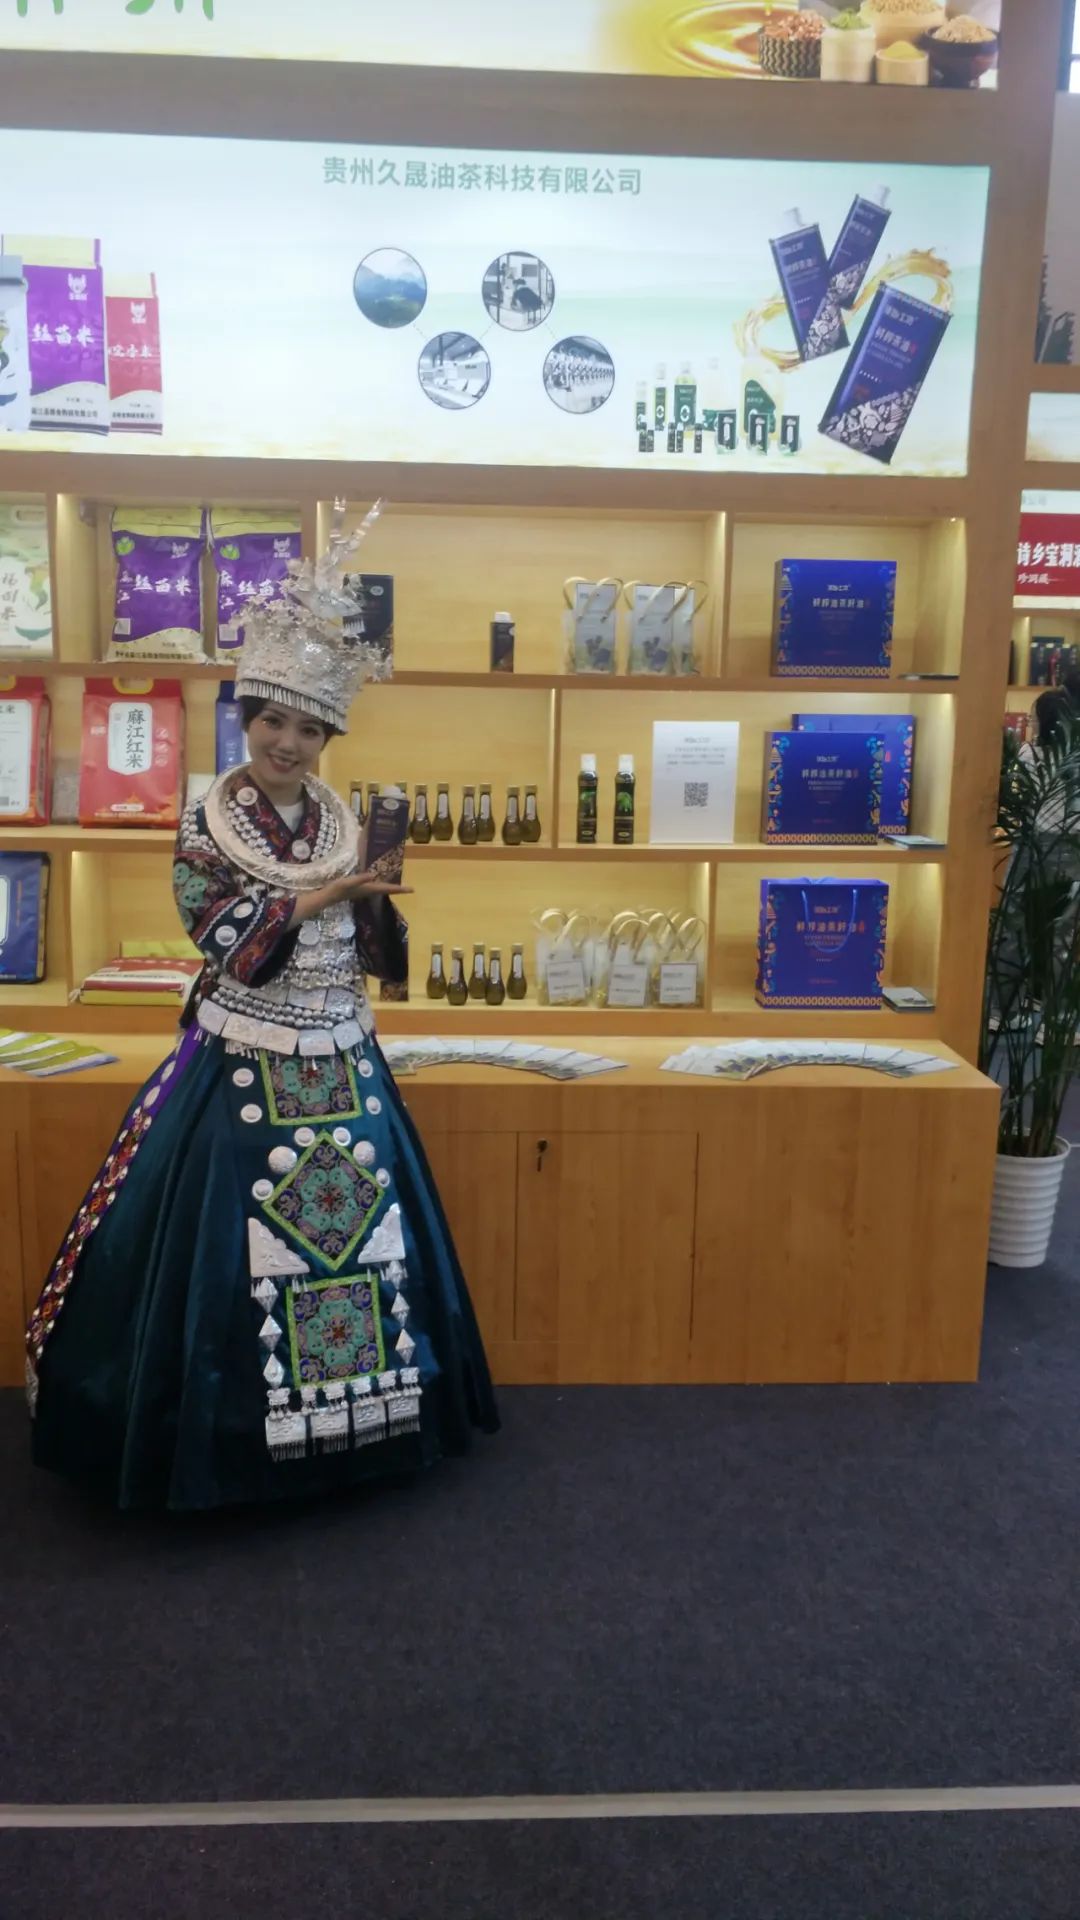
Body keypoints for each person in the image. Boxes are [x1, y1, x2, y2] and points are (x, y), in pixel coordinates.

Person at [27, 517, 498, 1510]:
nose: (288, 742)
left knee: (363, 1233)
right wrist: (328, 895)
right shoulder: (205, 821)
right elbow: (220, 935)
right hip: (240, 1060)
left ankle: (358, 1430)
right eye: (273, 720)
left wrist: (374, 902)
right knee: (227, 1257)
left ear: (328, 739)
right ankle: (230, 1441)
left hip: (342, 1059)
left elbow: (375, 959)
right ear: (248, 718)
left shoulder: (341, 819)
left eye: (309, 729)